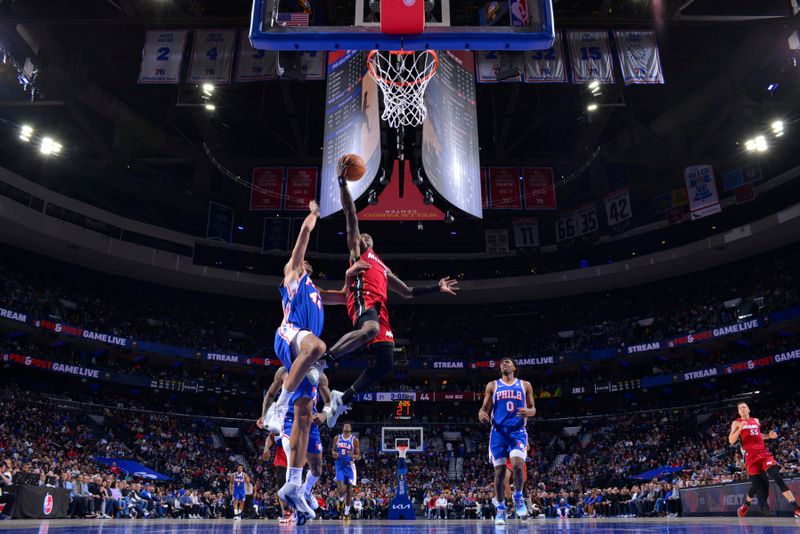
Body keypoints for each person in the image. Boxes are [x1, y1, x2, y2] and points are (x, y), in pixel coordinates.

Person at [320, 155, 459, 427]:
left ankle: (342, 398)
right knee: (369, 330)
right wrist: (341, 182)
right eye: (362, 234)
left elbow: (406, 292)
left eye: (368, 236)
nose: (364, 236)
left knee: (385, 362)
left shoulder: (382, 265)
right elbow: (350, 213)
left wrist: (436, 287)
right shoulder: (356, 250)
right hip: (362, 300)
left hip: (380, 309)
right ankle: (325, 361)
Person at [478, 357, 536, 524]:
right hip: (498, 433)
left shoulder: (525, 385)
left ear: (514, 368)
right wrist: (482, 413)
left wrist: (529, 412)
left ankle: (518, 497)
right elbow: (484, 408)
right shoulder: (492, 385)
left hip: (517, 431)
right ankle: (501, 508)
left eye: (508, 362)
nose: (504, 363)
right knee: (500, 473)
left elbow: (533, 408)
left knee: (518, 465)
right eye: (502, 363)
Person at [729, 401, 800, 518]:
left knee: (777, 477)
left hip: (763, 453)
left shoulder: (755, 421)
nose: (742, 409)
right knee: (758, 484)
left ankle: (796, 508)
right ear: (738, 411)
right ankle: (745, 506)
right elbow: (731, 440)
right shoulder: (736, 422)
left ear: (748, 409)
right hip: (750, 456)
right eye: (739, 408)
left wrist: (768, 436)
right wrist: (739, 429)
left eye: (744, 407)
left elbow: (758, 434)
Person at [332, 422, 361, 518]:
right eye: (345, 425)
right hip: (339, 465)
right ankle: (340, 501)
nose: (347, 426)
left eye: (349, 425)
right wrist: (334, 454)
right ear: (343, 428)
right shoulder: (337, 438)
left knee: (349, 490)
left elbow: (359, 456)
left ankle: (347, 513)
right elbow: (332, 451)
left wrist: (353, 455)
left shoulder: (355, 440)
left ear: (351, 429)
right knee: (341, 490)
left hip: (350, 466)